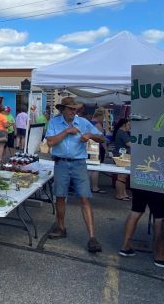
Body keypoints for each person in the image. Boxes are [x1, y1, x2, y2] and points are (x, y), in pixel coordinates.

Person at [45, 96, 107, 253]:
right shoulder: (54, 122)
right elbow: (50, 142)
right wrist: (67, 131)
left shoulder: (84, 123)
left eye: (75, 109)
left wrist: (91, 136)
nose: (74, 111)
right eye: (71, 109)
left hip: (79, 163)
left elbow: (102, 138)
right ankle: (61, 227)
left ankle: (92, 237)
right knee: (60, 196)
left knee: (85, 198)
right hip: (61, 163)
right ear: (63, 109)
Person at [119, 189, 164, 270]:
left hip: (139, 181)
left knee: (136, 210)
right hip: (153, 183)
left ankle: (125, 247)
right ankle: (160, 256)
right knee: (160, 216)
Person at [111, 118, 132, 201]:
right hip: (121, 157)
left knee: (123, 176)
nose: (130, 127)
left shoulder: (120, 132)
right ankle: (120, 194)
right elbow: (129, 144)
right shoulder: (122, 133)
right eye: (129, 125)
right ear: (124, 125)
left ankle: (124, 193)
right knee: (121, 177)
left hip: (122, 156)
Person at [89, 110, 107, 194]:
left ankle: (88, 186)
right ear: (99, 117)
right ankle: (95, 187)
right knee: (96, 168)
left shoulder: (89, 123)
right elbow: (102, 139)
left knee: (89, 167)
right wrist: (106, 150)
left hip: (89, 148)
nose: (103, 120)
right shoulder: (98, 125)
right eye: (103, 118)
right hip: (97, 148)